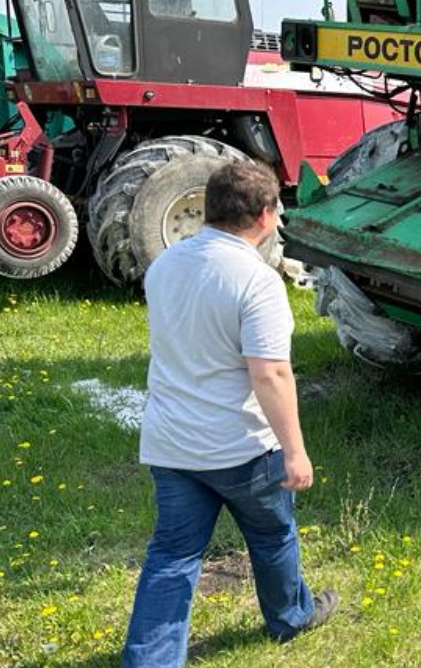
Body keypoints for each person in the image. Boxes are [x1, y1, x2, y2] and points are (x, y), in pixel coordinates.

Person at [122, 161, 336, 666]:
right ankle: (291, 617)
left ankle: (150, 660)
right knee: (272, 534)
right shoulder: (257, 282)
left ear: (209, 206)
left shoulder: (165, 265)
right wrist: (296, 452)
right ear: (265, 216)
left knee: (173, 555)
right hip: (240, 447)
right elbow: (271, 375)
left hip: (172, 443)